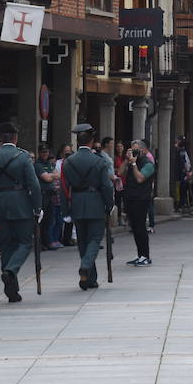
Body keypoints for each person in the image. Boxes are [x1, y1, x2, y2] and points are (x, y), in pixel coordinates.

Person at [0, 123, 41, 303]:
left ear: (1, 139)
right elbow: (34, 185)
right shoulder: (22, 157)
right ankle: (11, 270)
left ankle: (11, 289)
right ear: (15, 138)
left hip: (2, 203)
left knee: (6, 245)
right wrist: (37, 207)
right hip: (21, 202)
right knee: (24, 242)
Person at [61, 124, 114, 290]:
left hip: (77, 201)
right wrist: (109, 205)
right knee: (94, 239)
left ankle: (90, 278)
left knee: (82, 241)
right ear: (92, 142)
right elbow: (106, 186)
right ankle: (85, 266)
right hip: (95, 202)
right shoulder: (99, 161)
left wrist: (65, 210)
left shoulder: (68, 161)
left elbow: (63, 188)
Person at [122, 140, 157, 266]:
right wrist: (127, 160)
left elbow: (140, 178)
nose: (135, 152)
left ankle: (145, 256)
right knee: (135, 229)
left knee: (141, 228)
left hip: (141, 200)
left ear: (143, 150)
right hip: (130, 198)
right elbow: (120, 173)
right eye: (132, 150)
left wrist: (134, 164)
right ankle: (140, 255)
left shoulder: (148, 164)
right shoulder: (131, 162)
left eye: (136, 150)